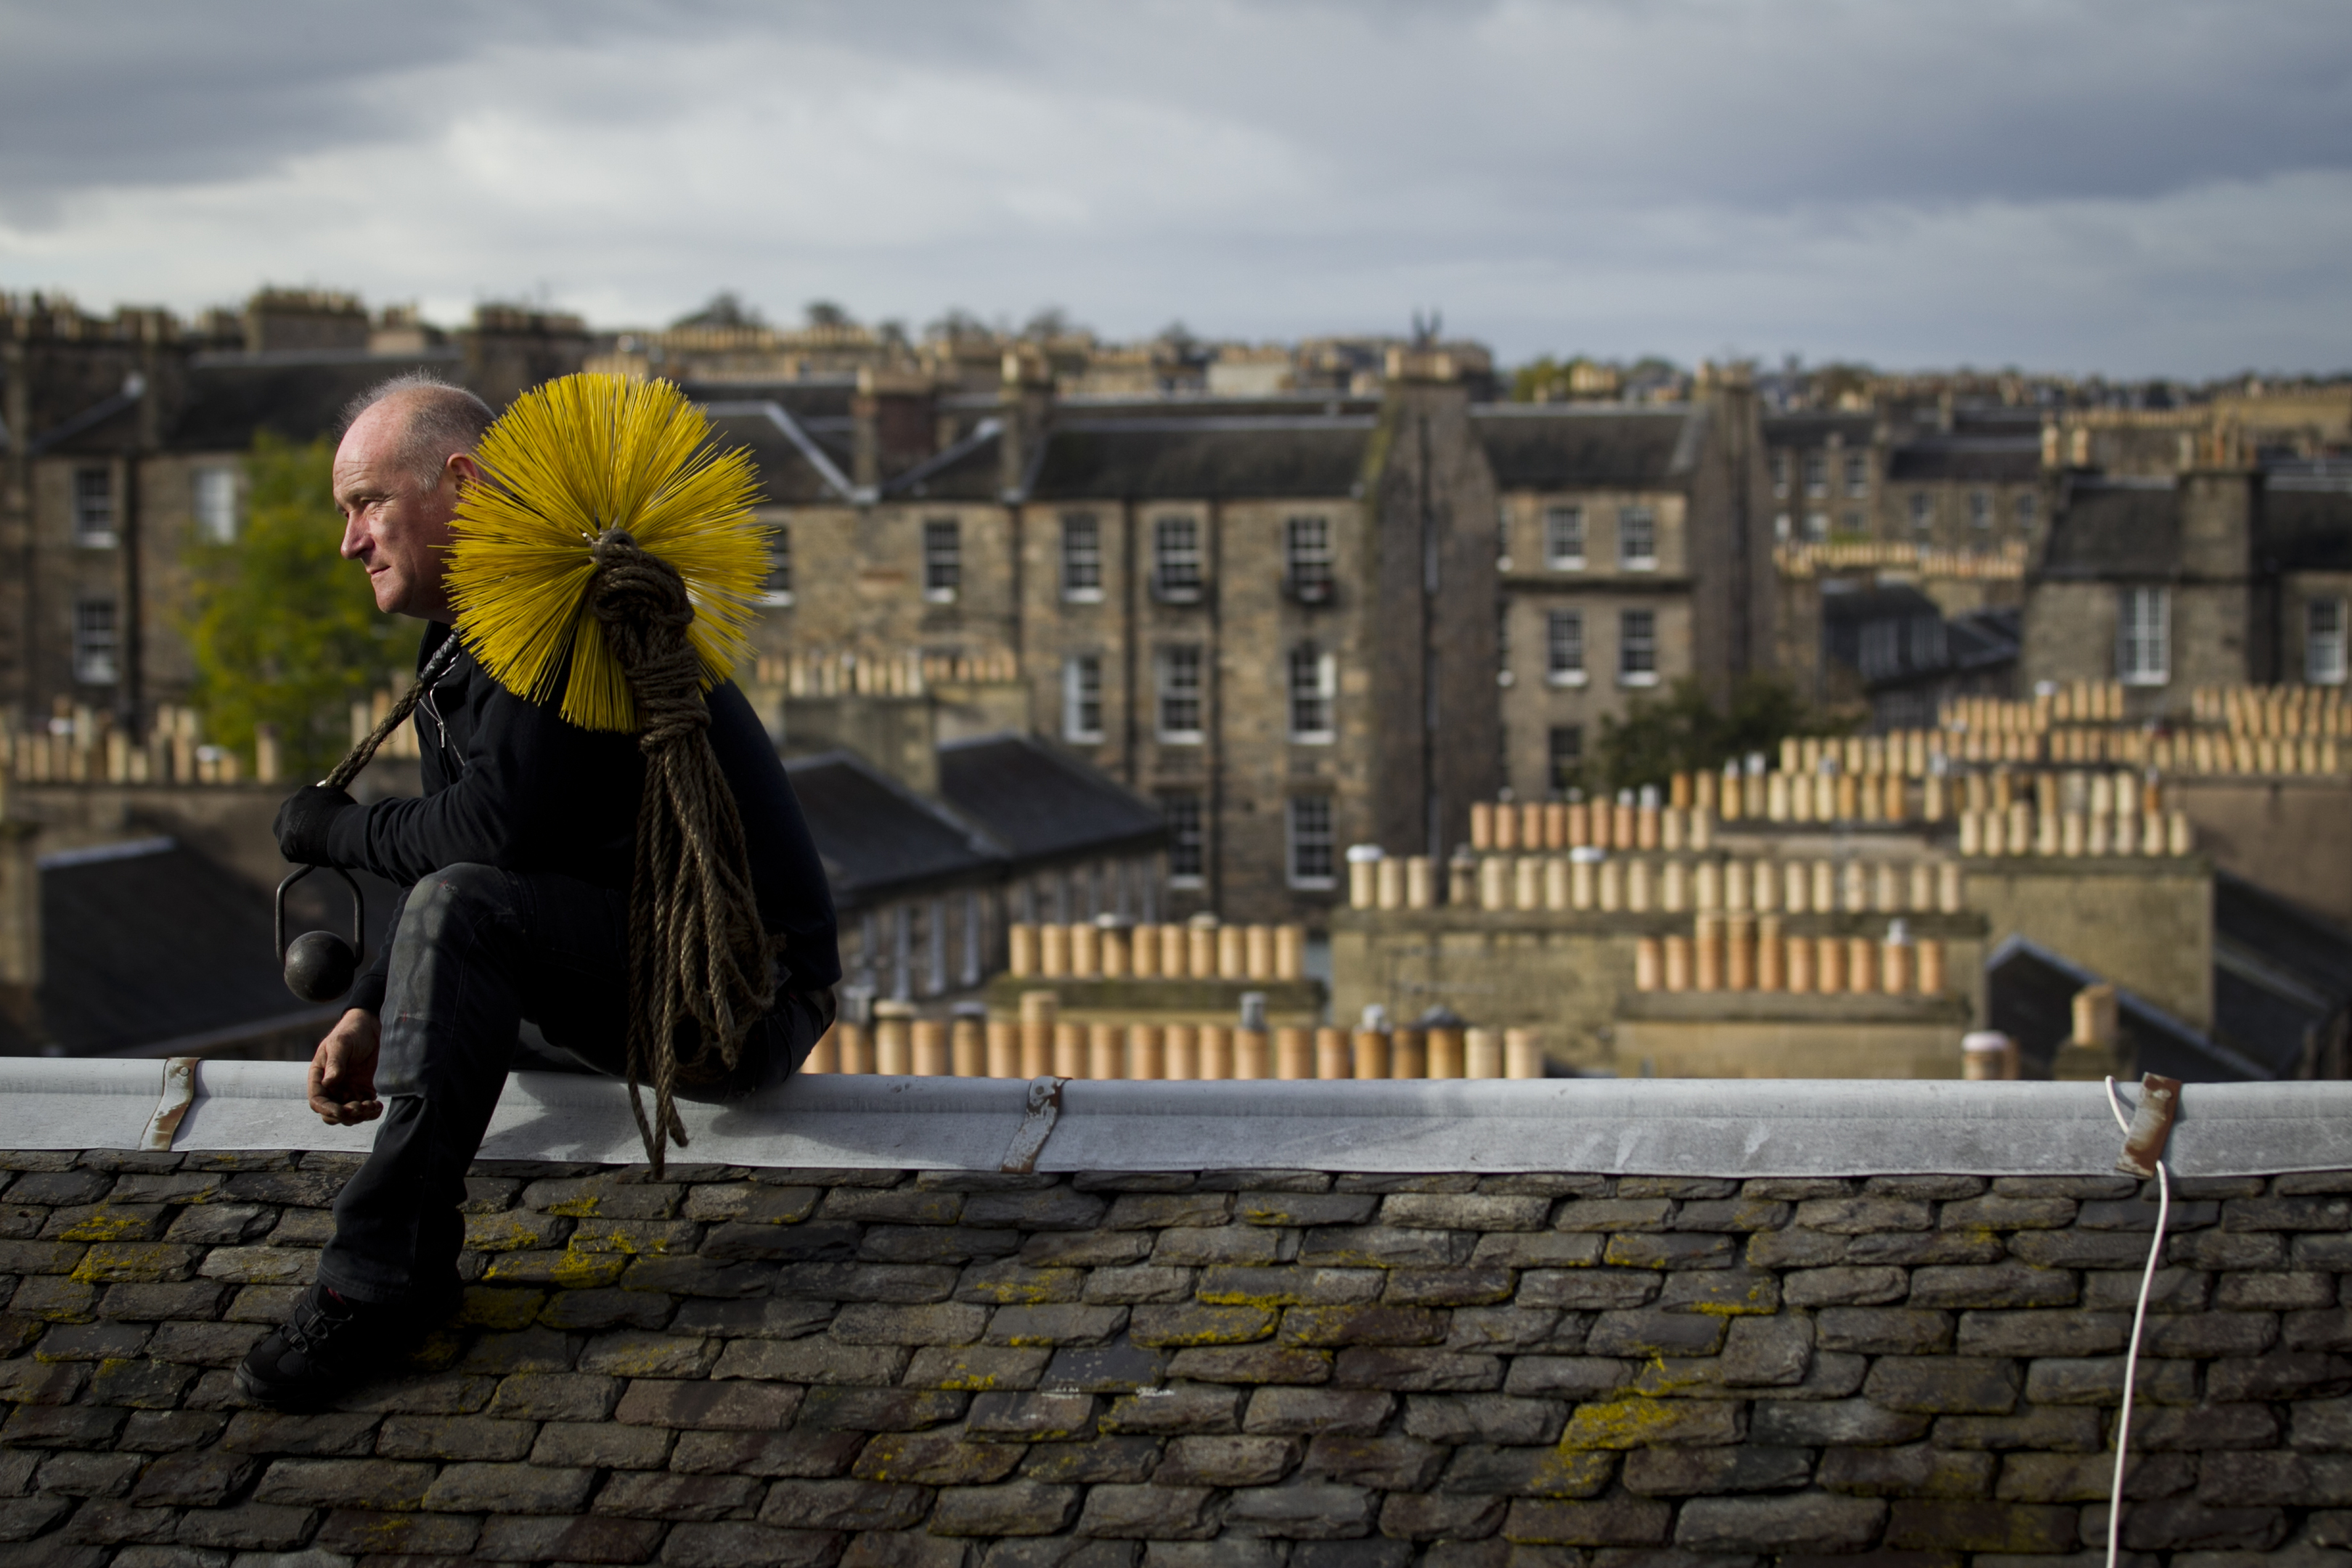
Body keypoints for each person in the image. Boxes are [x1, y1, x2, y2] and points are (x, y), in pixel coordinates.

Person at [237, 372, 838, 1409]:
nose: (352, 540)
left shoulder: (562, 618)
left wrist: (328, 828)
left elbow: (491, 838)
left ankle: (382, 1276)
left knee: (469, 906)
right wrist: (376, 1005)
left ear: (460, 483)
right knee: (465, 912)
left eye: (368, 502)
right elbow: (474, 858)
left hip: (743, 993)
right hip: (626, 962)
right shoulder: (467, 642)